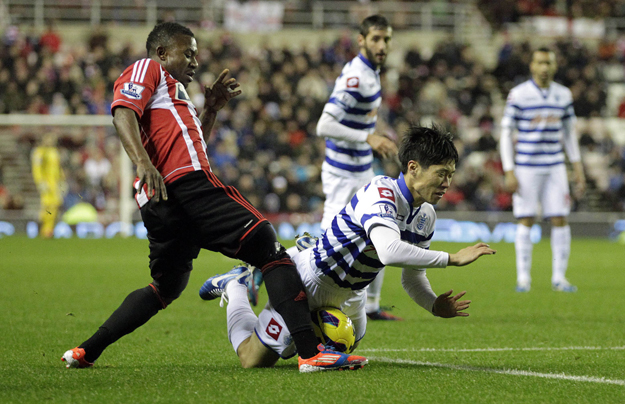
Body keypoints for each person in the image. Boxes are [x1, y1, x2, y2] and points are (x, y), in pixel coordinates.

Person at [61, 22, 366, 373]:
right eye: (187, 53)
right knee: (270, 249)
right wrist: (143, 163)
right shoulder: (149, 69)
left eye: (196, 54)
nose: (194, 61)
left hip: (160, 203)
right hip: (184, 185)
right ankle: (311, 354)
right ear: (162, 53)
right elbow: (122, 112)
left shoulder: (177, 96)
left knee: (165, 288)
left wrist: (212, 109)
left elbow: (194, 146)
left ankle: (86, 351)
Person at [199, 125, 496, 369]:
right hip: (312, 280)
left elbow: (412, 277)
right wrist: (452, 258)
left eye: (451, 175)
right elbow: (389, 251)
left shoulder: (426, 216)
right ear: (413, 168)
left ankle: (294, 327)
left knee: (339, 342)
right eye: (441, 173)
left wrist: (433, 304)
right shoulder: (381, 193)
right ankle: (236, 287)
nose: (447, 183)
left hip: (352, 295)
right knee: (253, 360)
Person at [316, 14, 399, 321]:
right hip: (341, 173)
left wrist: (374, 137)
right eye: (376, 39)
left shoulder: (372, 72)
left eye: (386, 39)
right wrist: (369, 138)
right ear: (362, 40)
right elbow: (324, 125)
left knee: (381, 231)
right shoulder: (357, 77)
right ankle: (271, 272)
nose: (382, 45)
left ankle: (372, 306)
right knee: (328, 244)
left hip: (362, 170)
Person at [499, 47, 586, 293]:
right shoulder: (518, 95)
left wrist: (577, 166)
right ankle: (523, 278)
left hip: (555, 166)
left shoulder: (564, 95)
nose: (544, 67)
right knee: (526, 219)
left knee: (560, 218)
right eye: (540, 62)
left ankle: (559, 278)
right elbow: (506, 133)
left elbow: (569, 134)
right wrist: (509, 169)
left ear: (555, 66)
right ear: (532, 66)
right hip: (526, 166)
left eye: (548, 62)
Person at [31, 132, 64, 238]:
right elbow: (36, 169)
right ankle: (42, 227)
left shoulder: (54, 152)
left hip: (54, 183)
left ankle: (48, 230)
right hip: (46, 183)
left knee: (54, 205)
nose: (50, 141)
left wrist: (62, 180)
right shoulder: (39, 152)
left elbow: (58, 168)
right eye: (48, 139)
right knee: (46, 206)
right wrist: (40, 182)